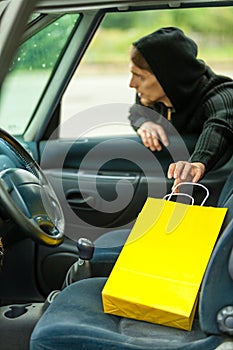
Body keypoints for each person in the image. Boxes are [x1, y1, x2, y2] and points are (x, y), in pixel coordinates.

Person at [128, 27, 233, 190]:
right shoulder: (153, 97)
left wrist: (197, 162)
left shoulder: (220, 93)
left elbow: (219, 125)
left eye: (140, 76)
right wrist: (144, 123)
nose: (131, 84)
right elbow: (136, 111)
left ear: (168, 77)